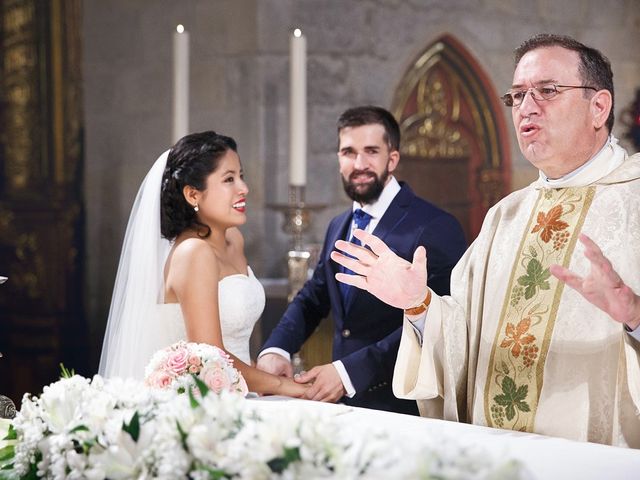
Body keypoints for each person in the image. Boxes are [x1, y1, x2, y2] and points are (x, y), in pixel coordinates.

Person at [331, 34, 640, 447]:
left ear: (598, 107)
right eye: (517, 95)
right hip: (496, 454)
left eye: (547, 91)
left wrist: (636, 319)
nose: (527, 107)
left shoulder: (634, 202)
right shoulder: (506, 216)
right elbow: (464, 340)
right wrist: (419, 305)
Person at [257, 106, 467, 415]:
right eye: (348, 152)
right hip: (343, 406)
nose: (359, 164)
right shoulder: (338, 225)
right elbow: (314, 297)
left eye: (371, 151)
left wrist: (348, 373)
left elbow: (440, 323)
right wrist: (276, 349)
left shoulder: (435, 226)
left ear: (392, 158)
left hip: (403, 405)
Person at [99, 131, 308, 397]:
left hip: (244, 388)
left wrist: (266, 373)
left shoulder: (234, 239)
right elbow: (212, 360)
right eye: (229, 179)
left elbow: (236, 346)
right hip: (206, 401)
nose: (243, 188)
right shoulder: (193, 253)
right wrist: (287, 388)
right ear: (193, 195)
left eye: (241, 176)